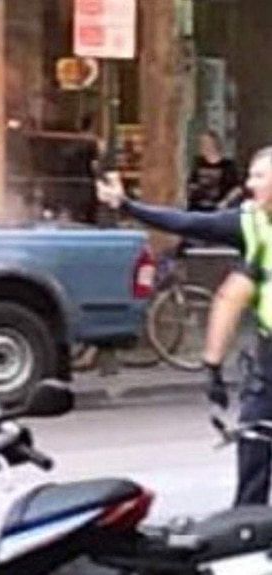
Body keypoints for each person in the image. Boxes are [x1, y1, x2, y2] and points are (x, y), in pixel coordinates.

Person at [97, 146, 272, 506]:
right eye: (251, 174)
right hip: (270, 360)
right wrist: (127, 205)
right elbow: (188, 222)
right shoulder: (250, 221)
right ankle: (248, 529)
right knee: (254, 441)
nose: (250, 184)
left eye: (259, 176)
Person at [186, 130, 241, 212]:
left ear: (214, 144)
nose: (203, 146)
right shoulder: (198, 162)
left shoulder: (227, 165)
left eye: (206, 143)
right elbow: (191, 182)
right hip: (197, 207)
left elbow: (237, 188)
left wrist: (225, 202)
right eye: (201, 143)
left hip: (218, 208)